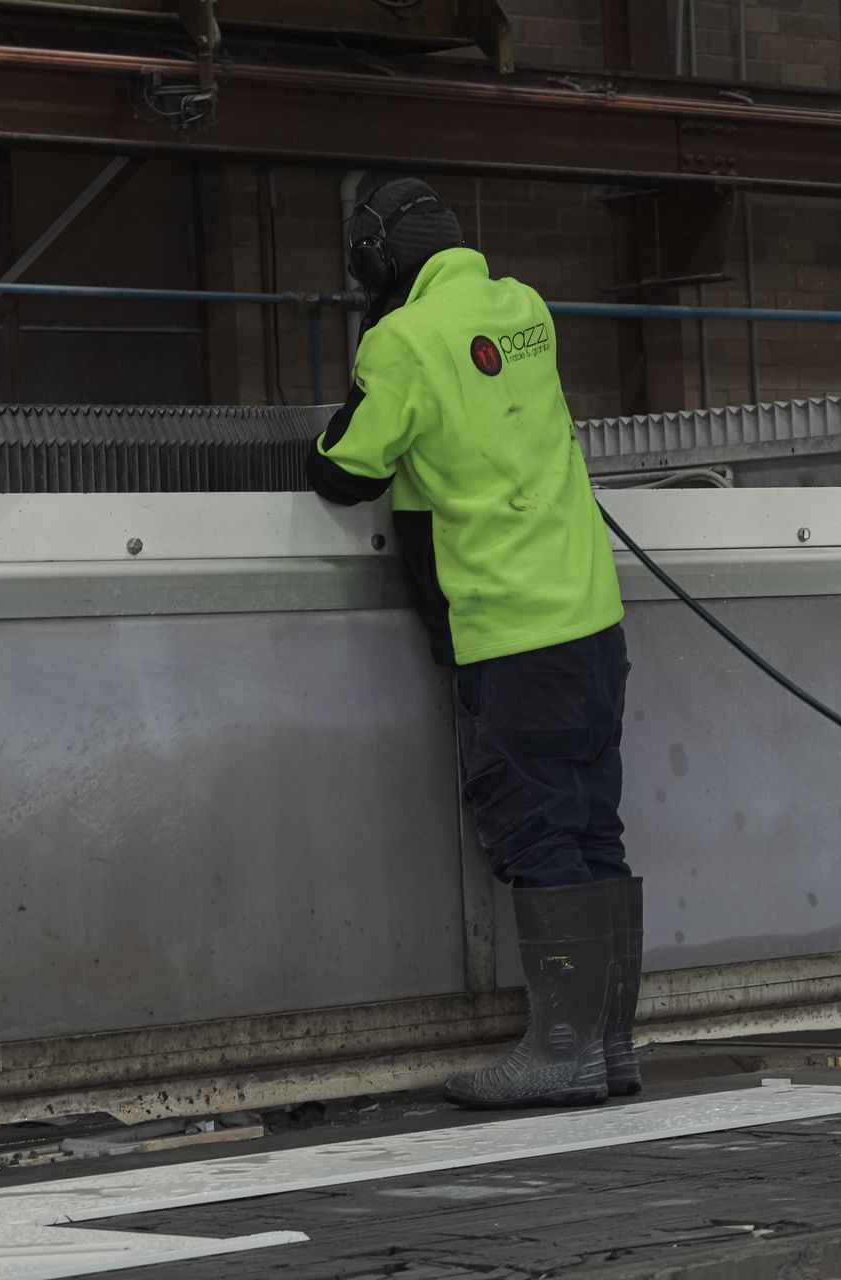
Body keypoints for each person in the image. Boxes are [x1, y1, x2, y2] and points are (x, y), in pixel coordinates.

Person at [308, 177, 641, 1110]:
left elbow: (345, 470)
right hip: (589, 618)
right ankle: (609, 1047)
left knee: (532, 827)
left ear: (376, 262)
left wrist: (354, 395)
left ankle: (564, 1051)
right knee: (592, 827)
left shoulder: (402, 341)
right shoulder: (524, 307)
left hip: (510, 628)